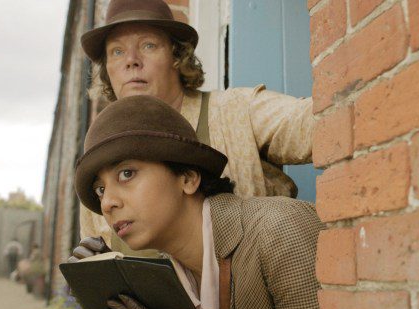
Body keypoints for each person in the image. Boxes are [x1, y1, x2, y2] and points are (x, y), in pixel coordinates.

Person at [70, 95, 324, 309]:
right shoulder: (162, 287)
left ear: (188, 178)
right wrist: (103, 300)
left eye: (127, 173)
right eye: (101, 190)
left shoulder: (280, 230)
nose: (107, 203)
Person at [78, 0, 315, 249]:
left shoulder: (235, 111)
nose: (132, 60)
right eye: (117, 51)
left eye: (148, 45)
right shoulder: (99, 165)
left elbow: (317, 119)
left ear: (177, 56)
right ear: (107, 70)